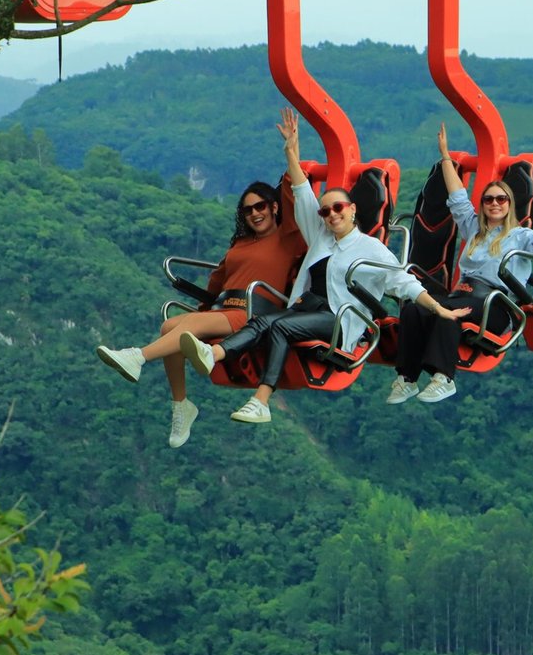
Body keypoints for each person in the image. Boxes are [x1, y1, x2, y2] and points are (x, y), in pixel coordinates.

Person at [178, 112, 469, 424]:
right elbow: (302, 192)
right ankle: (215, 354)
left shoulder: (370, 248)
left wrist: (440, 310)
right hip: (306, 310)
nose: (332, 215)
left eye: (338, 208)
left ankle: (261, 399)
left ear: (353, 210)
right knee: (263, 322)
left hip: (338, 321)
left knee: (279, 326)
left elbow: (404, 283)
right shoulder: (320, 238)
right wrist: (291, 152)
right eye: (326, 210)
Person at [96, 111, 308, 447]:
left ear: (274, 207)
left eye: (262, 206)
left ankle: (137, 356)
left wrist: (291, 149)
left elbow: (298, 194)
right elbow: (219, 278)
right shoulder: (241, 243)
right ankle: (181, 406)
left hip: (256, 311)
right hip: (226, 307)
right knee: (171, 327)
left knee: (184, 330)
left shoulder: (289, 237)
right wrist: (204, 304)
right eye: (248, 209)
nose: (255, 213)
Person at [385, 123, 533, 404]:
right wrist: (446, 156)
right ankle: (407, 378)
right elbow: (457, 195)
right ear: (482, 205)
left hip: (495, 305)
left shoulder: (519, 236)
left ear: (510, 205)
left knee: (447, 310)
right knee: (414, 309)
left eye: (501, 199)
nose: (495, 204)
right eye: (489, 199)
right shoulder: (472, 228)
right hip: (463, 295)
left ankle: (443, 377)